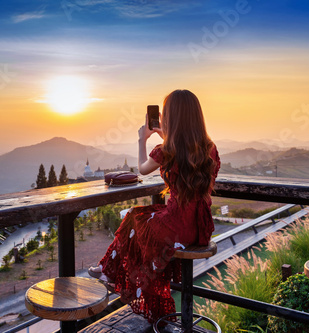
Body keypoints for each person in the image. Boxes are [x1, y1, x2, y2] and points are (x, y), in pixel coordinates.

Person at [88, 89, 221, 323]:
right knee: (142, 217)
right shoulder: (209, 148)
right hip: (200, 228)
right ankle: (108, 270)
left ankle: (109, 271)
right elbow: (185, 155)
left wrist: (143, 139)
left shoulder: (166, 150)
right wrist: (166, 137)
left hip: (175, 227)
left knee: (134, 216)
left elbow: (142, 168)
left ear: (170, 117)